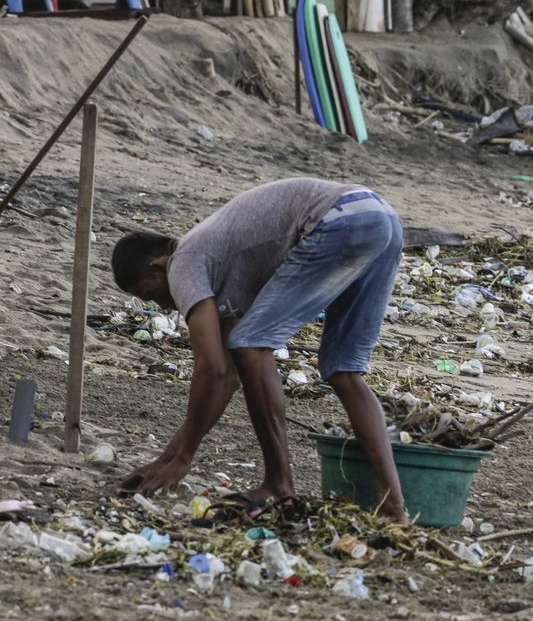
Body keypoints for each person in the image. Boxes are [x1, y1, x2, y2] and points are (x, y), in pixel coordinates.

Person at [110, 179, 408, 522]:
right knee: (343, 371)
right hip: (379, 215)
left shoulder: (184, 263)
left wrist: (183, 457)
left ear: (158, 266)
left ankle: (279, 483)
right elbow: (228, 378)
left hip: (339, 219)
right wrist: (170, 456)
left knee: (251, 345)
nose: (163, 307)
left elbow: (212, 369)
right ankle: (393, 507)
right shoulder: (217, 264)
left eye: (150, 295)